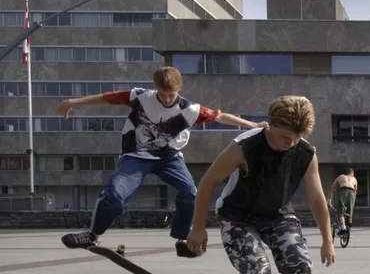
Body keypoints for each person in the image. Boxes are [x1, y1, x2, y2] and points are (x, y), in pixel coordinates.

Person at [56, 66, 264, 257]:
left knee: (189, 191)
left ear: (179, 89)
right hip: (136, 155)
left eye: (170, 95)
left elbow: (220, 117)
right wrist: (73, 102)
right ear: (155, 88)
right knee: (114, 195)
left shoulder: (189, 109)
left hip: (169, 158)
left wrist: (252, 124)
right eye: (162, 94)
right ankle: (93, 235)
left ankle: (183, 238)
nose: (166, 99)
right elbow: (108, 98)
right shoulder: (140, 97)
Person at [185, 96, 335, 274]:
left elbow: (317, 198)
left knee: (300, 263)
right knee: (257, 271)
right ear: (270, 124)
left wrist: (327, 239)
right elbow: (208, 182)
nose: (291, 143)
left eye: (297, 137)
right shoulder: (244, 146)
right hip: (238, 216)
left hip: (278, 215)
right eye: (286, 137)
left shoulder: (306, 152)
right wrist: (198, 228)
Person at [327, 168, 358, 237]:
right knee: (349, 213)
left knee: (340, 211)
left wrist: (329, 201)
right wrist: (352, 203)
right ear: (352, 173)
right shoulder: (354, 179)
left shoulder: (340, 177)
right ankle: (348, 231)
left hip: (343, 191)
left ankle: (343, 228)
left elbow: (332, 189)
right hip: (352, 192)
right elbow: (355, 192)